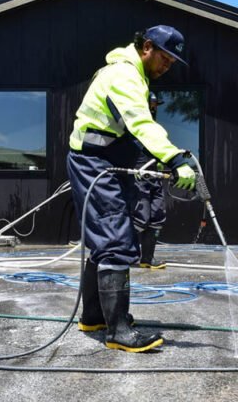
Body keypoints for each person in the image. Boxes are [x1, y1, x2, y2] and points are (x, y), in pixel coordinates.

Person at [67, 25, 197, 353]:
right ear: (147, 47)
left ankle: (94, 317)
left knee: (107, 241)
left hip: (107, 161)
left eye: (172, 63)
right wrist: (174, 158)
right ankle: (118, 332)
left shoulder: (135, 76)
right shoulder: (124, 75)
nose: (167, 67)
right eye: (165, 59)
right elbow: (141, 123)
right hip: (93, 162)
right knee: (115, 241)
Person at [133, 92, 168, 270]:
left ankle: (147, 258)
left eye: (155, 106)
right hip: (139, 178)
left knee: (157, 216)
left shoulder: (155, 128)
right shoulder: (133, 125)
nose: (154, 109)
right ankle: (128, 255)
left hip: (155, 177)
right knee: (140, 217)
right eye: (151, 105)